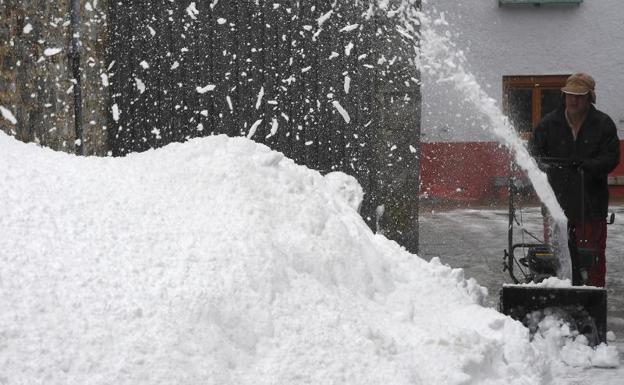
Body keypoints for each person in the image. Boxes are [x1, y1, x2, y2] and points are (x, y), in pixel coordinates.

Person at [530, 73, 620, 287]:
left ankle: (593, 295)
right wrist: (545, 167)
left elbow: (611, 158)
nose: (573, 100)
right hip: (556, 204)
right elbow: (534, 154)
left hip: (591, 204)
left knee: (592, 257)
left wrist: (587, 165)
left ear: (590, 97)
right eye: (569, 95)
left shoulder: (603, 124)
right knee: (557, 254)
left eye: (579, 96)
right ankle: (559, 291)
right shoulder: (548, 124)